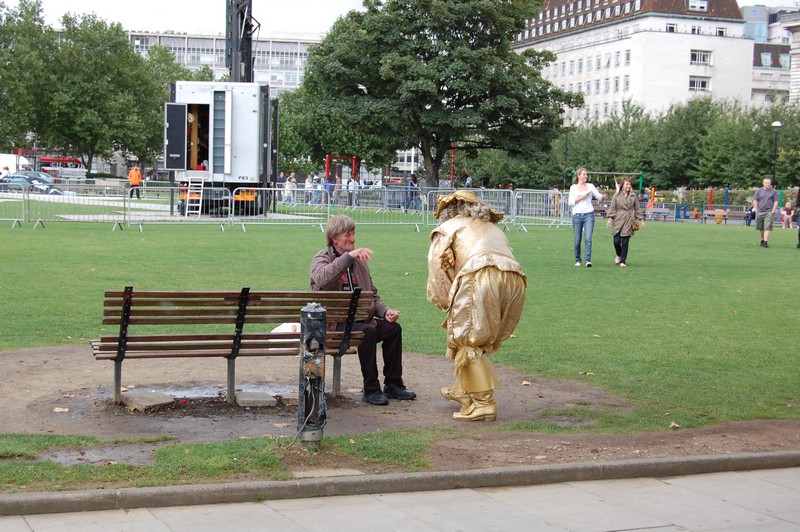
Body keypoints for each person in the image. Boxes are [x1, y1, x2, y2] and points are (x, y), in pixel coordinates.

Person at [427, 190, 527, 422]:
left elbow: (437, 270)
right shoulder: (489, 227)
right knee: (476, 334)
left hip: (480, 276)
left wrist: (445, 302)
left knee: (466, 337)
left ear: (449, 211)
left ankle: (484, 402)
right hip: (514, 279)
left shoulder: (447, 229)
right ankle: (463, 389)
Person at [310, 215, 416, 406]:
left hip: (361, 323)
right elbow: (322, 279)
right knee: (367, 331)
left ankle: (393, 384)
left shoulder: (359, 263)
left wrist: (385, 312)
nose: (353, 239)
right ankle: (371, 389)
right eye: (348, 235)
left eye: (354, 234)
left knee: (393, 329)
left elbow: (372, 295)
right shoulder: (322, 258)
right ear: (335, 238)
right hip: (334, 327)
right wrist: (348, 258)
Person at [568, 167, 603, 267]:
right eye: (584, 174)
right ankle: (578, 259)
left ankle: (588, 260)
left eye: (586, 174)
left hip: (589, 215)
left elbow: (599, 197)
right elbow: (571, 202)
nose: (586, 176)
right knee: (577, 239)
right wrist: (582, 197)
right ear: (578, 175)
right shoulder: (573, 187)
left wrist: (602, 196)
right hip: (577, 215)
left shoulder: (590, 186)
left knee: (588, 238)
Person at [606, 177, 644, 268]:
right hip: (618, 219)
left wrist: (641, 220)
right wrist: (610, 218)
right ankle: (619, 255)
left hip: (629, 218)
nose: (629, 186)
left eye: (630, 184)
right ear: (622, 186)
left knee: (625, 241)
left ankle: (623, 261)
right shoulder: (616, 195)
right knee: (616, 241)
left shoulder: (633, 195)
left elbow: (637, 208)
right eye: (627, 184)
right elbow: (612, 207)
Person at [753, 177, 779, 248]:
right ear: (763, 183)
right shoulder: (759, 191)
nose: (768, 184)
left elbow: (776, 201)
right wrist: (756, 209)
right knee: (761, 228)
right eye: (766, 183)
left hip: (769, 212)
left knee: (767, 227)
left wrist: (773, 210)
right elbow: (755, 200)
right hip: (760, 211)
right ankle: (762, 239)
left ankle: (765, 242)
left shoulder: (774, 191)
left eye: (769, 183)